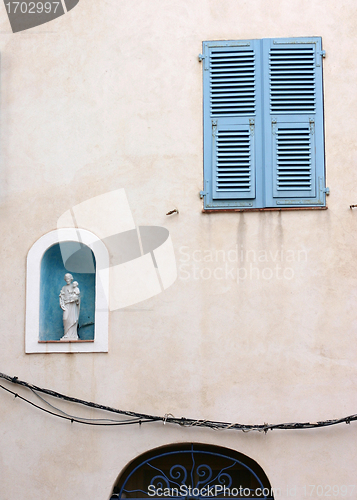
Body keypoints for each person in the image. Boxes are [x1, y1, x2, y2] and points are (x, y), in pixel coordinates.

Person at [59, 273, 80, 340]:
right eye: (66, 278)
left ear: (71, 278)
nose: (67, 280)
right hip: (66, 305)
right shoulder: (64, 287)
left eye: (68, 278)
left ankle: (73, 335)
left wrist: (75, 299)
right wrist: (61, 303)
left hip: (73, 306)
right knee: (65, 318)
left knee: (72, 319)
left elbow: (78, 297)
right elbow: (61, 296)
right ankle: (66, 334)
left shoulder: (74, 287)